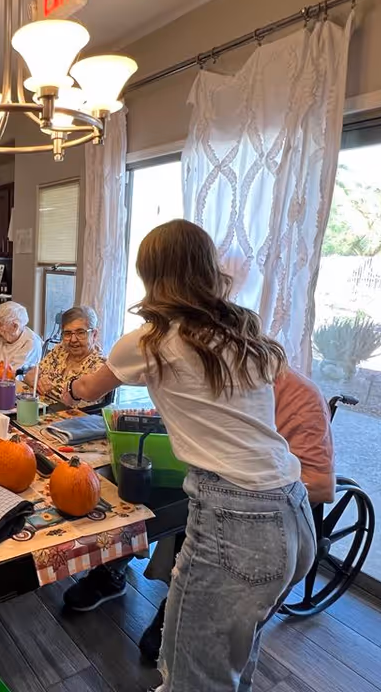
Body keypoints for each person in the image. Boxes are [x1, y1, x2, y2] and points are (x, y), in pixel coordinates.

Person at [62, 220, 315, 692]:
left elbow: (86, 390)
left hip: (235, 521)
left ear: (151, 276)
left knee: (191, 676)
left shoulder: (150, 341)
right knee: (235, 662)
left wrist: (72, 385)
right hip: (294, 513)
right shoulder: (243, 331)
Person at [65, 365, 335, 663]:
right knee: (131, 485)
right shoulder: (216, 376)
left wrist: (245, 487)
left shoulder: (300, 395)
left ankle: (179, 605)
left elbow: (321, 485)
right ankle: (113, 567)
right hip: (201, 479)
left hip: (255, 514)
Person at [23, 306, 106, 406]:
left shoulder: (100, 366)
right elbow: (29, 376)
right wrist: (38, 383)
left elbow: (83, 407)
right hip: (43, 410)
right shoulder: (60, 350)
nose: (73, 339)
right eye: (67, 333)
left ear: (94, 335)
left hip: (72, 419)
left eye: (80, 333)